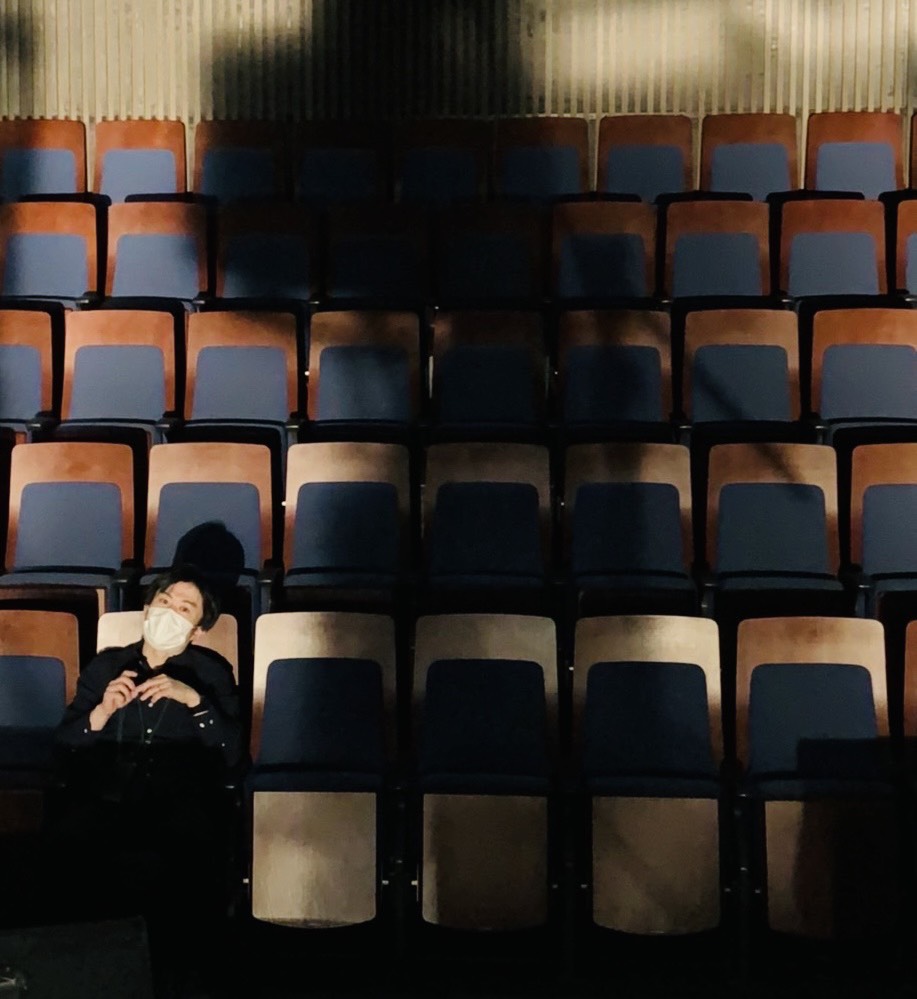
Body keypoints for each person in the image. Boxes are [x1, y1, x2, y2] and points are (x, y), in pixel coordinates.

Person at [49, 564, 244, 995]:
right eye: (164, 601)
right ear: (148, 607)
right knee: (74, 842)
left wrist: (195, 702)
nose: (170, 611)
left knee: (183, 858)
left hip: (180, 796)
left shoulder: (210, 672)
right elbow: (65, 742)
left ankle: (174, 974)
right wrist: (101, 712)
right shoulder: (107, 666)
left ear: (198, 629)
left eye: (185, 608)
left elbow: (232, 754)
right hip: (109, 791)